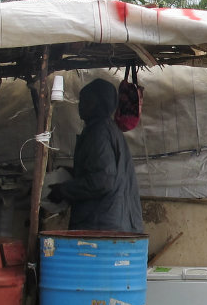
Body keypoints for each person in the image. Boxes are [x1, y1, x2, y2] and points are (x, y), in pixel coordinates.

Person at [47, 78, 144, 233]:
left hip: (101, 226)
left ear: (98, 103)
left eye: (85, 100)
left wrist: (64, 190)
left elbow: (103, 181)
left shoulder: (98, 132)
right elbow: (108, 172)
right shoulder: (110, 130)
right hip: (118, 222)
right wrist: (73, 172)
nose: (80, 104)